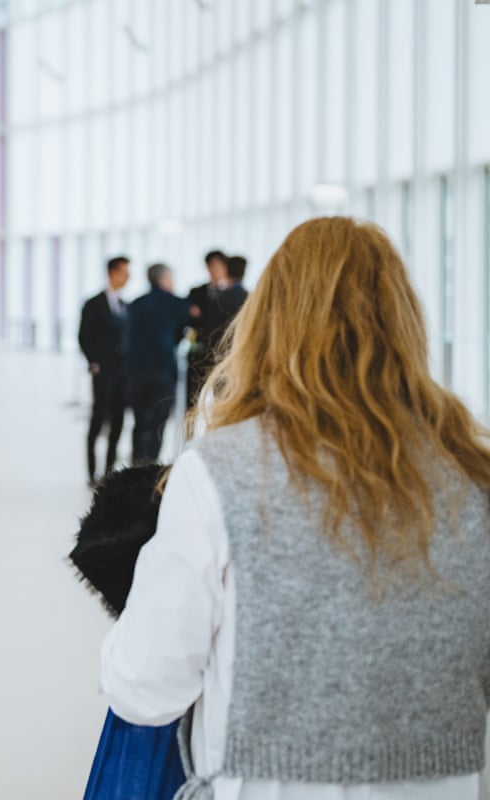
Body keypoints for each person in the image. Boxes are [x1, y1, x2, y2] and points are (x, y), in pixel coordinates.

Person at [101, 217, 490, 799]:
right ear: (405, 324)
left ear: (270, 321)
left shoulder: (218, 474)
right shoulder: (471, 472)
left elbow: (145, 687)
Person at [124, 263, 188, 466]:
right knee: (158, 423)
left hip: (136, 371)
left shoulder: (135, 304)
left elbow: (128, 334)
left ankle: (136, 463)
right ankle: (151, 466)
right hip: (163, 370)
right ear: (163, 279)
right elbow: (180, 333)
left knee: (139, 422)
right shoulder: (177, 304)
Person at [77, 255, 130, 485]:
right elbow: (84, 336)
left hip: (122, 373)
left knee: (118, 421)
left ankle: (109, 471)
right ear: (113, 273)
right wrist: (93, 361)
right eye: (124, 273)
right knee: (98, 420)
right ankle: (91, 472)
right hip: (103, 372)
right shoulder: (94, 304)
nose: (127, 278)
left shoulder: (125, 306)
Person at [185, 250, 230, 410]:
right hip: (200, 353)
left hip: (224, 355)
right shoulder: (196, 293)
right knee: (193, 401)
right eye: (211, 266)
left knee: (223, 400)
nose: (215, 270)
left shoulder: (234, 294)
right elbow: (190, 320)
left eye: (218, 266)